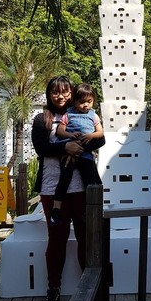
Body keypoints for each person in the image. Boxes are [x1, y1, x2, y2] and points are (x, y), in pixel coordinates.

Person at [31, 75, 105, 301]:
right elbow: (41, 148)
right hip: (52, 189)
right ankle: (53, 288)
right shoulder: (42, 119)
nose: (60, 96)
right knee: (56, 238)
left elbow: (100, 140)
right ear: (49, 94)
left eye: (65, 91)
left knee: (86, 236)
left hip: (82, 188)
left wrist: (76, 148)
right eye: (55, 92)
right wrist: (65, 146)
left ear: (72, 93)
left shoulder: (84, 113)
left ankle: (90, 288)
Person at [50, 82, 104, 226]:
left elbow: (100, 133)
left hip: (85, 155)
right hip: (68, 153)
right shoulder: (69, 114)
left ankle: (88, 209)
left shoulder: (94, 116)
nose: (86, 105)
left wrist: (91, 136)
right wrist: (70, 135)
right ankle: (56, 209)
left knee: (90, 182)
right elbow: (59, 131)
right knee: (64, 179)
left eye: (89, 102)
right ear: (74, 101)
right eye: (82, 102)